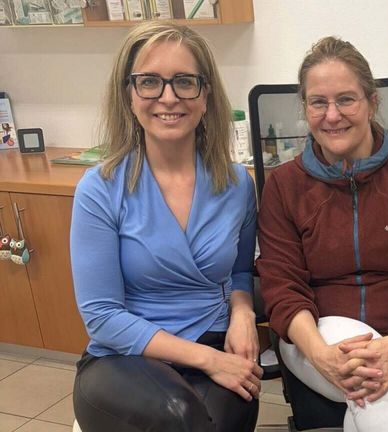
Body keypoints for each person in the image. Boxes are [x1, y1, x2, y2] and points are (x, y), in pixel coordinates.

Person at [257, 36, 388, 432]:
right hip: (318, 336)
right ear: (305, 108)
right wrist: (322, 356)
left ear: (372, 101)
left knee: (378, 398)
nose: (332, 116)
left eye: (346, 99)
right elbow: (282, 287)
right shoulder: (283, 186)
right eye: (318, 102)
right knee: (379, 394)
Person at [70, 21, 260, 432]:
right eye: (150, 82)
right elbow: (101, 315)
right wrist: (209, 360)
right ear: (129, 95)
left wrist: (243, 312)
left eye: (185, 82)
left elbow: (242, 272)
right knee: (180, 418)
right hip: (124, 356)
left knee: (219, 421)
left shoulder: (237, 184)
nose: (168, 97)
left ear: (205, 95)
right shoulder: (100, 189)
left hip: (214, 337)